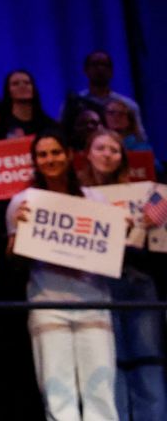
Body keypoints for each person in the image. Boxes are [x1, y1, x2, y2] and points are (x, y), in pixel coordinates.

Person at [6, 134, 118, 421]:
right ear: (34, 161)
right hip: (48, 306)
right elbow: (14, 261)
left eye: (55, 152)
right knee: (58, 393)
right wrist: (20, 232)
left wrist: (120, 230)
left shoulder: (95, 199)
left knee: (100, 391)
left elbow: (110, 251)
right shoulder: (22, 202)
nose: (50, 160)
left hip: (93, 302)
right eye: (42, 155)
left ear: (68, 155)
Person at [77, 129, 166, 421]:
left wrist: (144, 227)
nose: (107, 155)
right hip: (97, 285)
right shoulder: (76, 196)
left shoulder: (144, 197)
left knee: (147, 359)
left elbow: (156, 248)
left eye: (114, 150)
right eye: (100, 148)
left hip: (138, 280)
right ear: (88, 153)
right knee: (108, 361)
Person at [60, 51, 146, 144]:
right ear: (85, 70)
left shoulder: (128, 105)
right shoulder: (74, 104)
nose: (100, 69)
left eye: (105, 65)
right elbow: (62, 136)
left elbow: (140, 139)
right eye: (95, 64)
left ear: (112, 71)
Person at [0, 69, 60, 139]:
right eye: (15, 84)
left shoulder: (49, 125)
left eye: (27, 83)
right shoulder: (1, 124)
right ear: (8, 91)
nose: (22, 86)